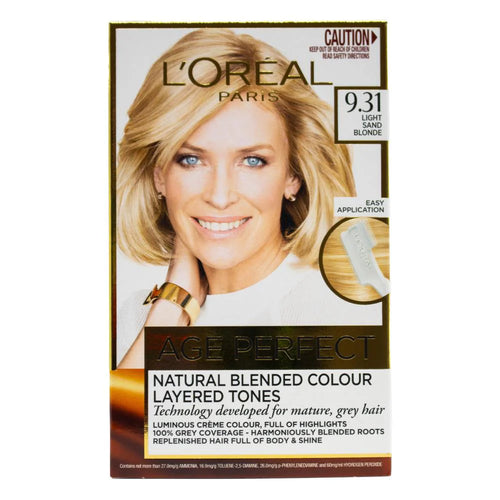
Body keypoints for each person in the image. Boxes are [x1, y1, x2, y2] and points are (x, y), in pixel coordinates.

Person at [116, 29, 381, 367]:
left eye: (252, 161)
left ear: (293, 176)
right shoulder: (139, 318)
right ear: (158, 175)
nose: (220, 196)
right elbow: (120, 406)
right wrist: (171, 308)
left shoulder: (341, 309)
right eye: (191, 159)